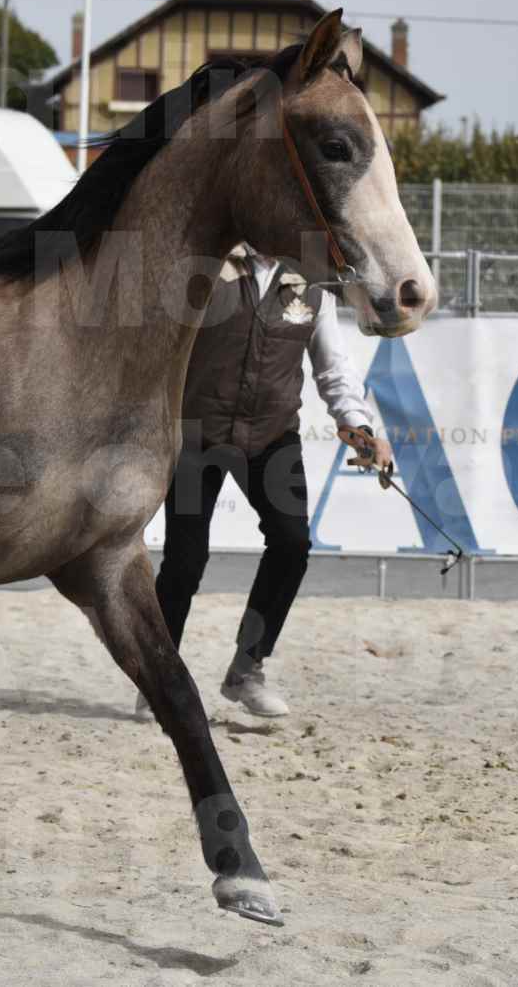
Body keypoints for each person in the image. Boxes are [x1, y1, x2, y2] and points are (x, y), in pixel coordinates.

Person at [148, 245, 393, 718]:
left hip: (271, 435)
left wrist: (358, 425)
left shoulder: (313, 283)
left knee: (292, 544)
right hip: (198, 434)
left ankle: (247, 668)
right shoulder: (208, 267)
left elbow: (332, 366)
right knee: (184, 562)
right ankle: (160, 677)